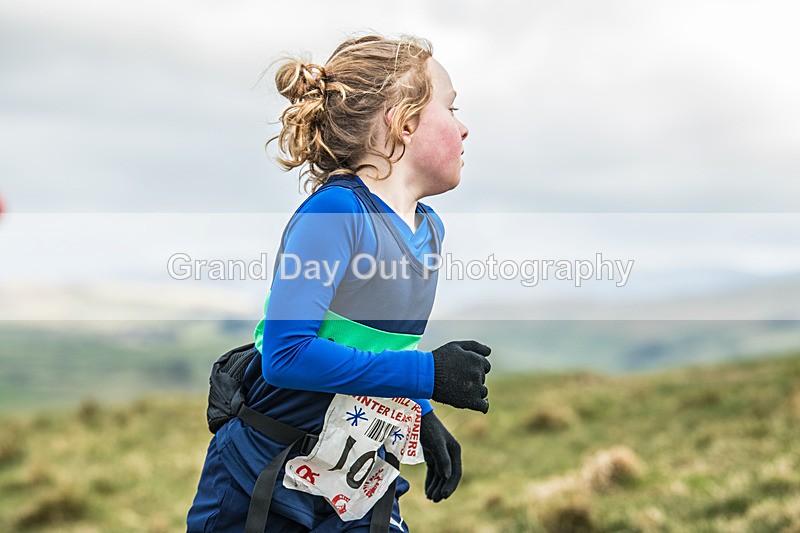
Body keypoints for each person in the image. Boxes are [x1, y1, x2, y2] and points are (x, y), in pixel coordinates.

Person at [187, 34, 492, 532]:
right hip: (264, 473)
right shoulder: (336, 212)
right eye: (452, 108)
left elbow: (371, 347)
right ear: (405, 121)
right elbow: (286, 355)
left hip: (357, 478)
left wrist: (417, 414)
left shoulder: (428, 228)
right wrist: (427, 376)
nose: (464, 128)